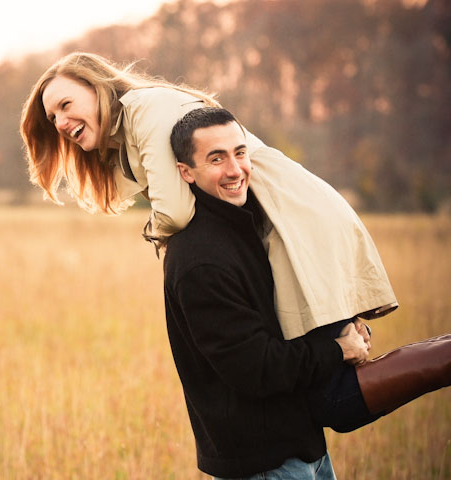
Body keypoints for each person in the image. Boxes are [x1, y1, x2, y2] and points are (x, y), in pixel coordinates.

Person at [19, 52, 397, 345]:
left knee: (334, 381)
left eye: (66, 105)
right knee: (317, 367)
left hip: (288, 214)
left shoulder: (145, 110)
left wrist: (155, 233)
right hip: (263, 222)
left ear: (96, 86)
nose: (61, 123)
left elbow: (175, 211)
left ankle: (433, 361)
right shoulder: (123, 137)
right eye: (52, 118)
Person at [164, 106, 451, 478]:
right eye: (216, 159)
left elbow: (288, 308)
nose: (235, 170)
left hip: (301, 447)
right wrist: (337, 350)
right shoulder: (200, 261)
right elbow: (256, 369)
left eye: (240, 152)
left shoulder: (253, 225)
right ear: (186, 172)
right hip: (262, 464)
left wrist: (345, 324)